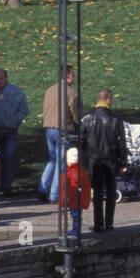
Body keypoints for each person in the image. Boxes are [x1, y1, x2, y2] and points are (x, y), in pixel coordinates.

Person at [78, 88, 127, 233]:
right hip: (111, 158)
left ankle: (98, 223)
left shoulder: (87, 118)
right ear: (109, 100)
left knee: (97, 192)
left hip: (95, 159)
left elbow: (81, 140)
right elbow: (121, 144)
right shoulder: (116, 119)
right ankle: (109, 222)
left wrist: (87, 151)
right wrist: (123, 162)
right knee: (111, 191)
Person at [38, 64, 80, 204]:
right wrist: (78, 126)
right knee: (61, 163)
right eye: (72, 75)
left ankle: (42, 189)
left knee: (52, 160)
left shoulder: (50, 90)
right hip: (62, 130)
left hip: (49, 129)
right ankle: (55, 194)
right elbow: (75, 114)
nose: (73, 77)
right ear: (68, 76)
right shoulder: (71, 92)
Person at [0, 68, 28, 194]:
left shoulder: (16, 92)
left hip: (10, 131)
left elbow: (24, 110)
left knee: (9, 157)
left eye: (1, 78)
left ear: (6, 78)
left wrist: (15, 121)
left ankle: (7, 185)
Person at [58, 147, 91, 237]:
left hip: (76, 199)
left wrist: (68, 196)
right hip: (78, 198)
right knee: (76, 216)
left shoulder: (74, 171)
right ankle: (76, 230)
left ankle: (76, 231)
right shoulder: (77, 170)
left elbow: (74, 186)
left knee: (76, 216)